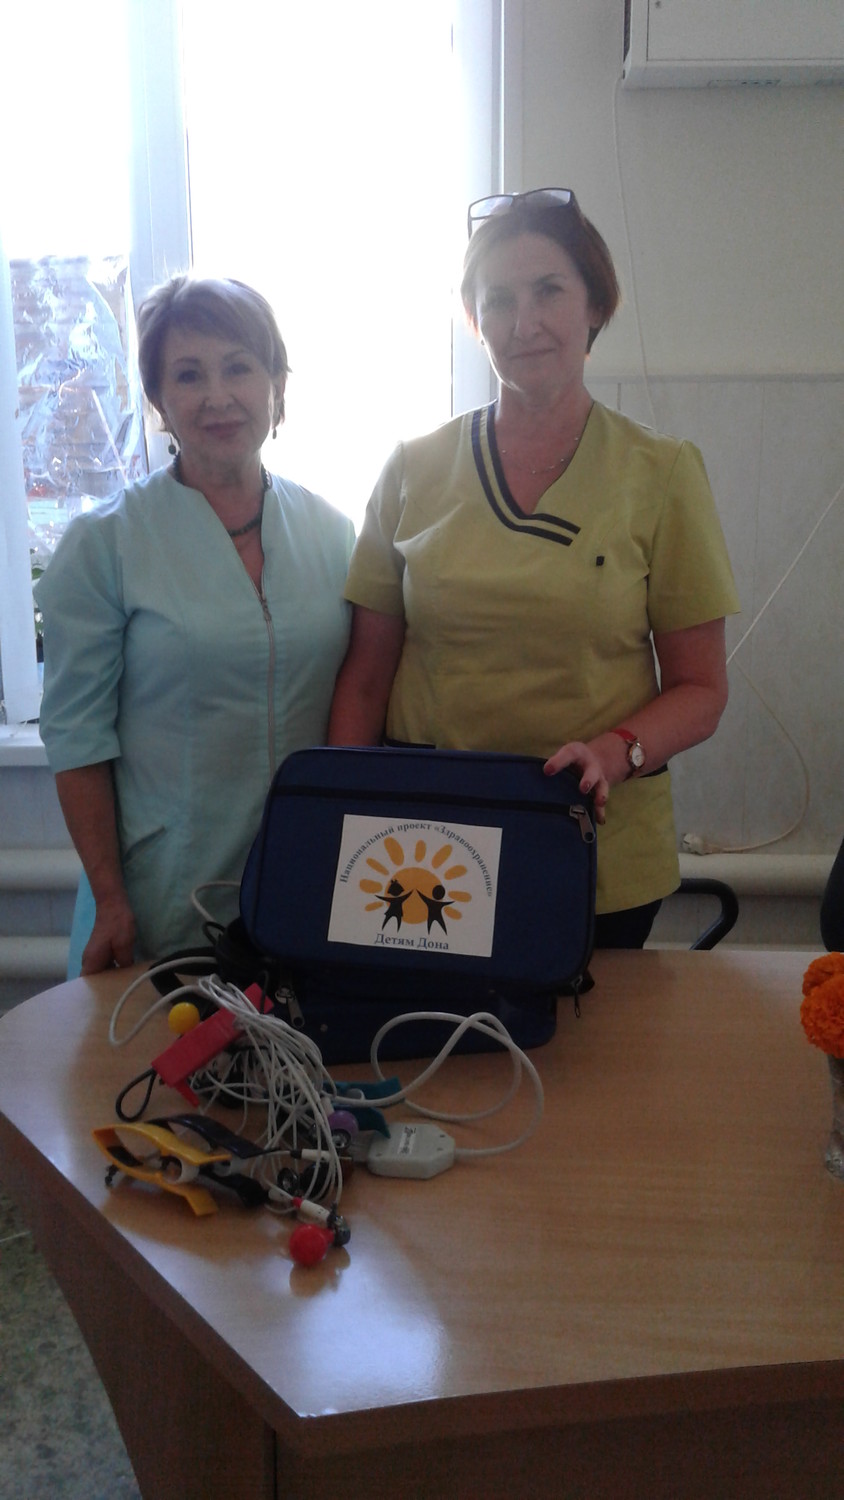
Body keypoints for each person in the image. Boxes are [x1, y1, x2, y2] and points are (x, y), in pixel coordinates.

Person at [328, 189, 740, 948]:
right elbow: (364, 678)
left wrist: (617, 752)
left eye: (549, 291)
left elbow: (701, 690)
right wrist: (341, 820)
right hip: (426, 848)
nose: (524, 324)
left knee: (589, 1027)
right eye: (499, 300)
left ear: (595, 304)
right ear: (474, 318)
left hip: (592, 844)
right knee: (432, 1027)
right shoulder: (414, 469)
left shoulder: (661, 473)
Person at [36, 275, 355, 973]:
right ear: (158, 400)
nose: (217, 396)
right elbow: (78, 739)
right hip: (160, 895)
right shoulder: (106, 544)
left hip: (307, 883)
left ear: (277, 384)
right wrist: (110, 898)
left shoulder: (334, 535)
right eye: (188, 375)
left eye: (239, 367)